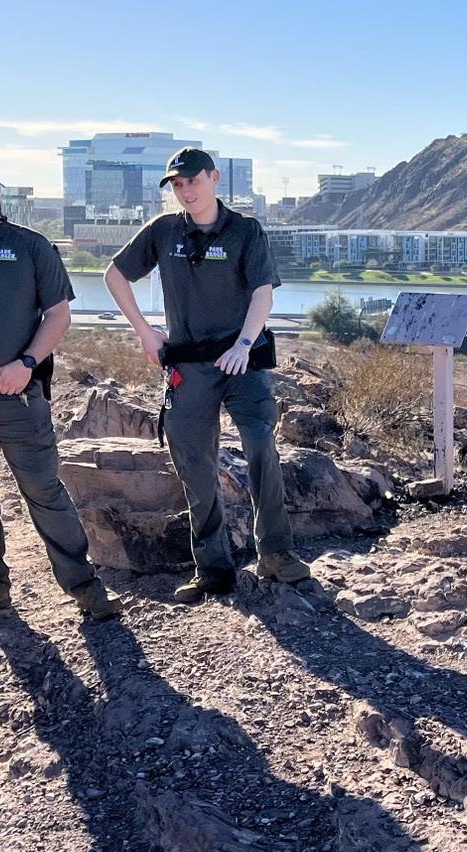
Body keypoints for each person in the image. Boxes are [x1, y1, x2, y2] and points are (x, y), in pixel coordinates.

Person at [103, 147, 310, 604]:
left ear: (214, 178)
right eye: (177, 185)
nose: (186, 191)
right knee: (195, 464)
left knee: (260, 445)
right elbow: (114, 276)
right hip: (189, 365)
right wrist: (144, 332)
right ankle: (213, 569)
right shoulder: (163, 231)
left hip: (243, 360)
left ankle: (276, 553)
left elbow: (262, 293)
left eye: (193, 181)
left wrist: (243, 344)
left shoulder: (244, 230)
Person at [0, 158, 118, 622]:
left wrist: (27, 363)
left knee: (44, 491)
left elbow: (58, 315)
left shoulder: (31, 247)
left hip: (18, 394)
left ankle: (86, 590)